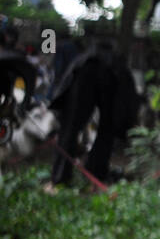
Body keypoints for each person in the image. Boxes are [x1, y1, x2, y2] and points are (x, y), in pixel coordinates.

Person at [45, 40, 141, 190]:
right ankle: (96, 174)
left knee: (71, 127)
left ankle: (60, 178)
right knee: (106, 129)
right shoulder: (114, 63)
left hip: (90, 74)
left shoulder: (85, 60)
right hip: (107, 76)